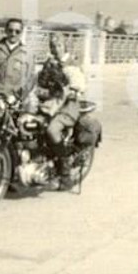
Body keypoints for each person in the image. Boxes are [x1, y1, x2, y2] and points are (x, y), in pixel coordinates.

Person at [37, 33, 101, 180]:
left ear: (64, 46)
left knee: (52, 130)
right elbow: (39, 82)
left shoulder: (72, 64)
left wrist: (72, 91)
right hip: (49, 103)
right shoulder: (49, 63)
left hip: (68, 106)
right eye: (52, 46)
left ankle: (64, 167)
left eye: (58, 45)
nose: (55, 49)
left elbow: (79, 85)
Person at [0, 18, 35, 126]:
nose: (13, 34)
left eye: (17, 31)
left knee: (15, 135)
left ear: (21, 33)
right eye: (10, 30)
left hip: (16, 100)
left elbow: (30, 80)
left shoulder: (27, 54)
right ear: (5, 30)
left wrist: (18, 96)